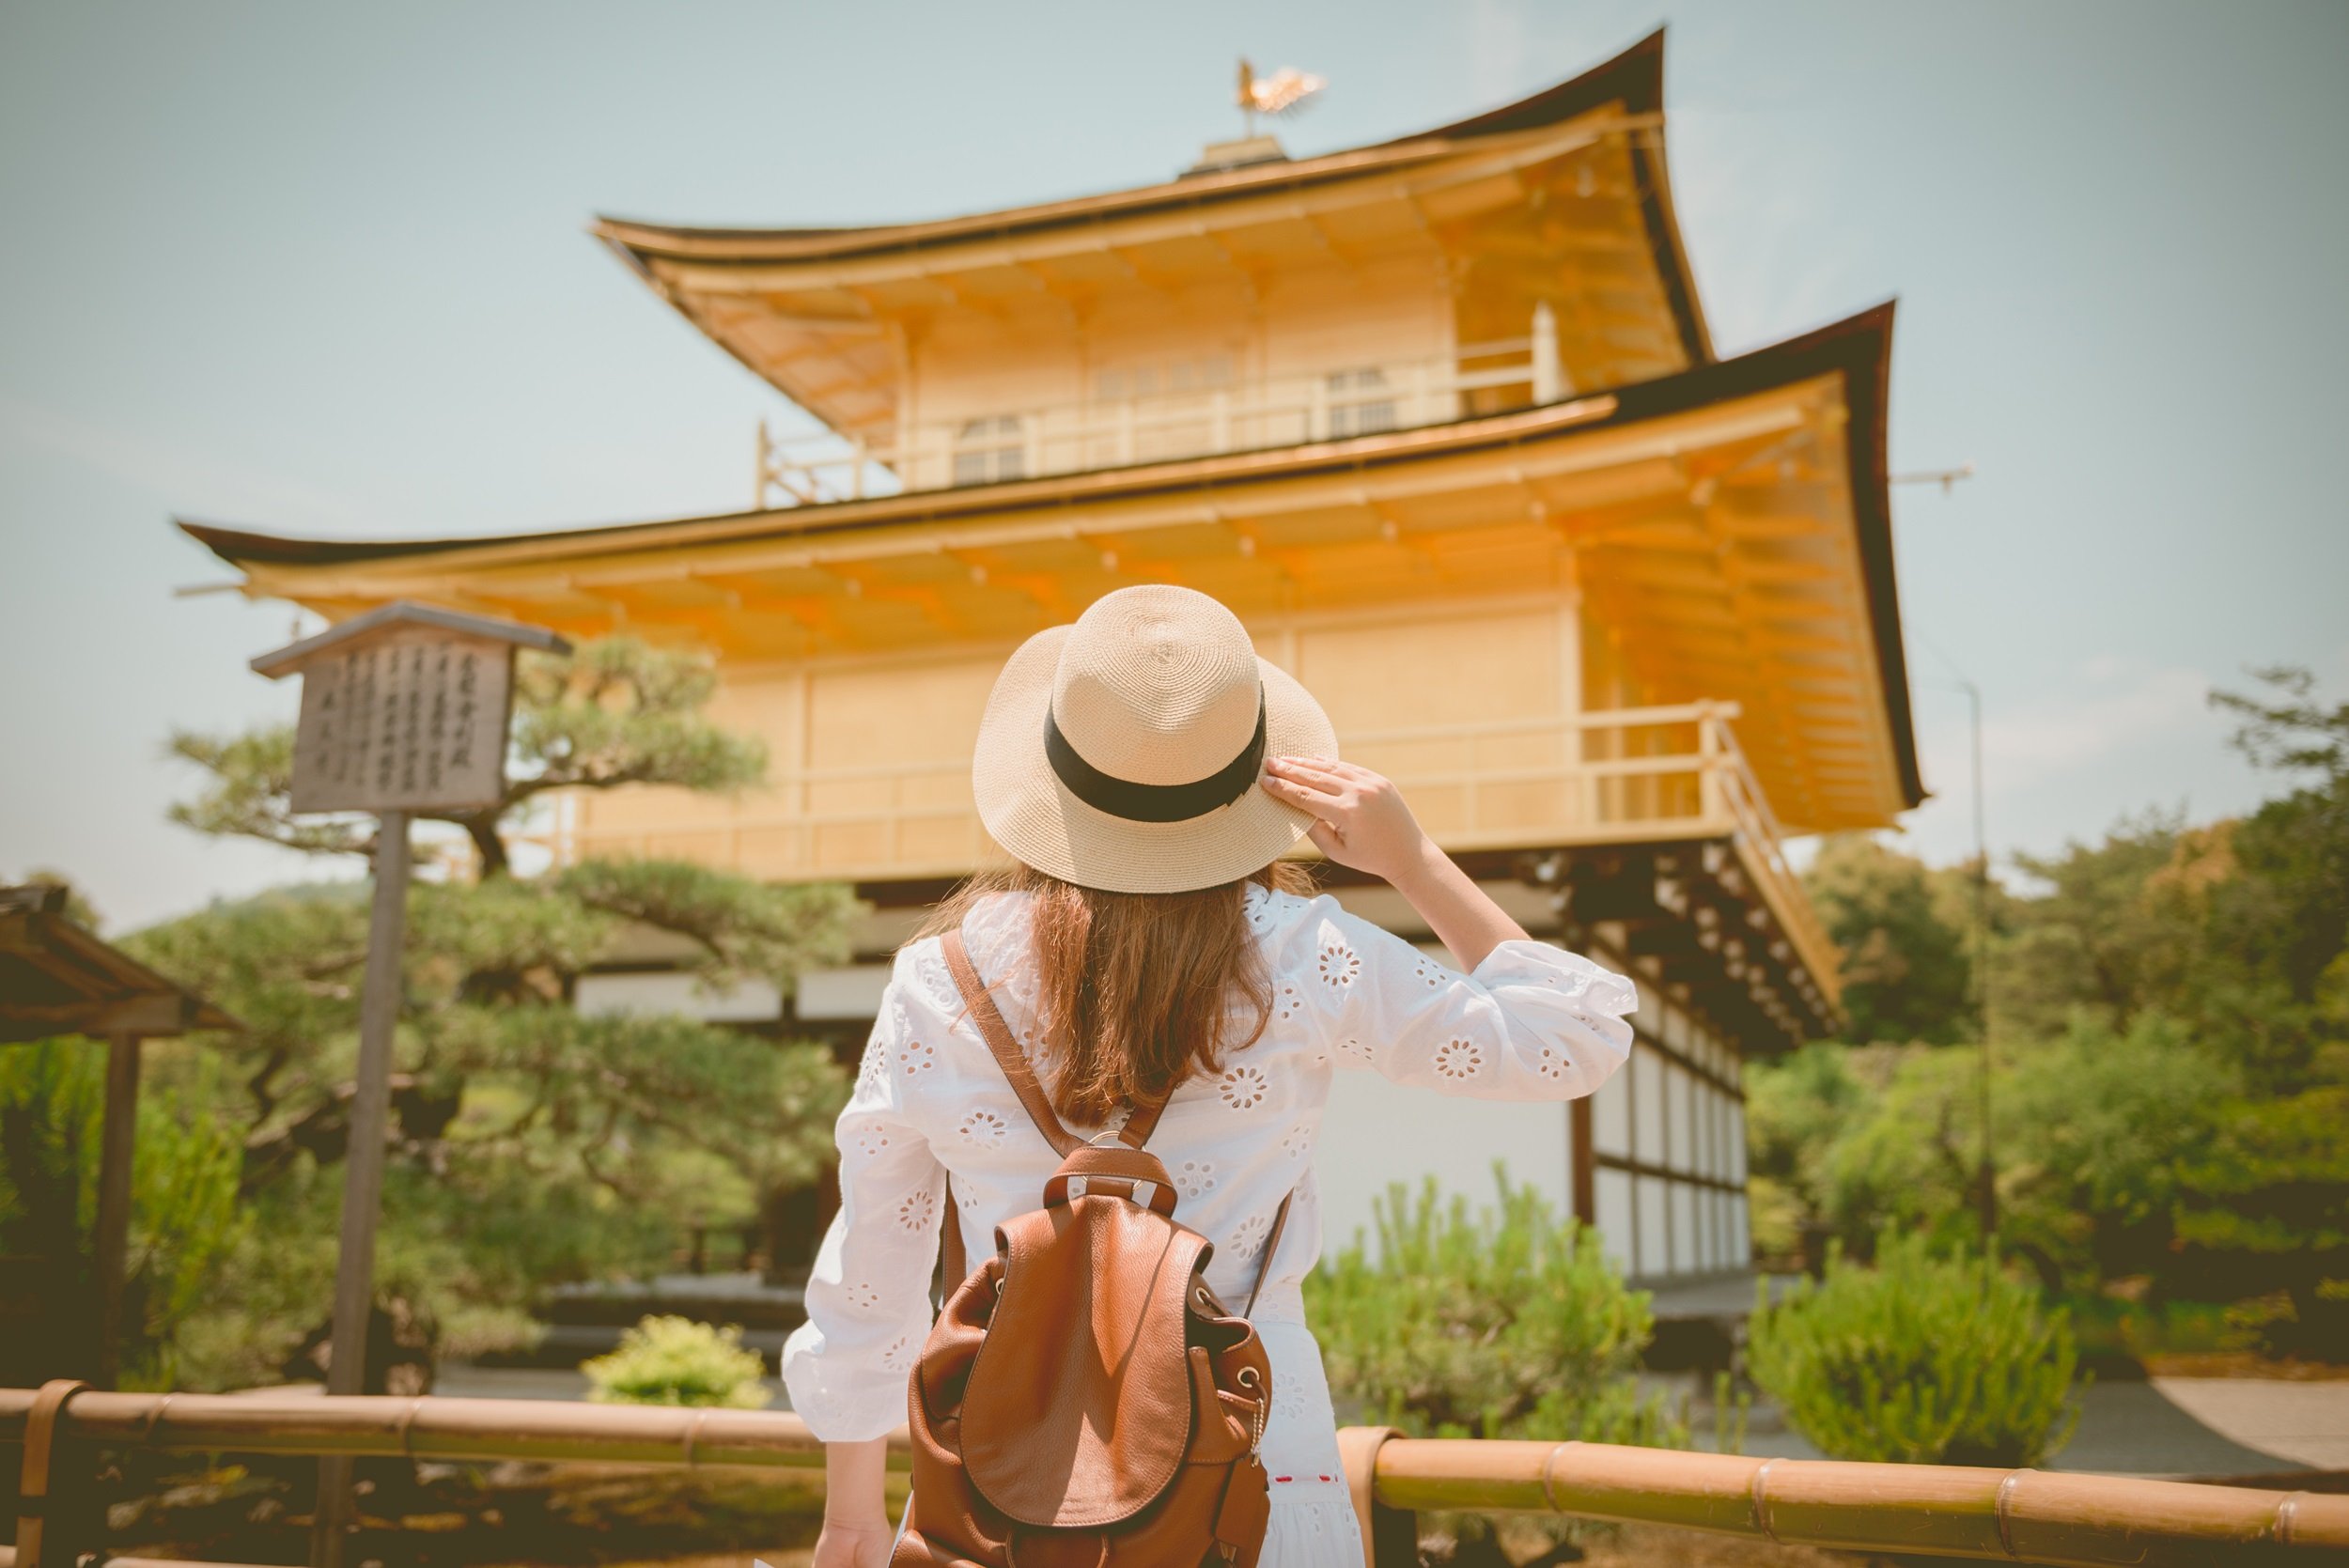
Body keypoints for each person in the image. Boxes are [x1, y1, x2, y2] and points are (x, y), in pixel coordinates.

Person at [786, 584, 1638, 1568]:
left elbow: (871, 1278)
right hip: (1253, 1456)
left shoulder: (940, 977)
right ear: (1243, 783)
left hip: (1001, 1470)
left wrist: (850, 1519)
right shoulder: (1304, 952)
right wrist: (1413, 860)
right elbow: (1569, 1039)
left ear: (1054, 779)